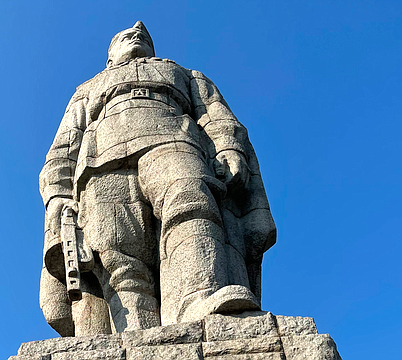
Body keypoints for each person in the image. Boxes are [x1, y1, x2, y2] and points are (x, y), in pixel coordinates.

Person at [38, 21, 276, 336]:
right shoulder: (87, 89)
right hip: (99, 163)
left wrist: (231, 148)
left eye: (142, 36)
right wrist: (57, 195)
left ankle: (199, 297)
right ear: (110, 60)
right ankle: (132, 333)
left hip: (173, 140)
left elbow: (217, 116)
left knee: (190, 199)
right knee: (114, 252)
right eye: (125, 36)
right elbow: (64, 147)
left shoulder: (187, 75)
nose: (137, 30)